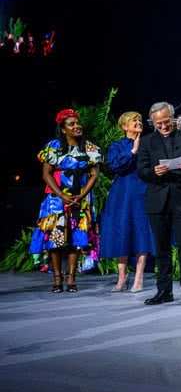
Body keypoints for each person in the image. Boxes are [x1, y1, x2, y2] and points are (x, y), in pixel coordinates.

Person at [137, 102, 181, 306]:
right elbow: (142, 171)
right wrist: (153, 173)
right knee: (162, 248)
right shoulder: (147, 142)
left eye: (166, 122)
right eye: (158, 124)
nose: (163, 126)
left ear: (173, 119)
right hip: (157, 200)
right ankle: (164, 291)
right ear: (153, 123)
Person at [31, 109, 103, 293]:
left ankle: (71, 277)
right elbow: (46, 174)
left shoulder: (89, 148)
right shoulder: (54, 147)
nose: (77, 126)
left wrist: (81, 195)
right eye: (71, 124)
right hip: (56, 200)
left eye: (77, 123)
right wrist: (62, 196)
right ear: (63, 129)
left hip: (81, 198)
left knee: (76, 239)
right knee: (56, 240)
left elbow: (94, 175)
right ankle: (57, 278)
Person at [99, 111, 155, 293]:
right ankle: (122, 276)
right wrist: (133, 150)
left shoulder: (149, 144)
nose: (138, 122)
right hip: (121, 194)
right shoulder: (116, 146)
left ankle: (138, 277)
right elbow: (116, 165)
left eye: (140, 120)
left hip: (141, 192)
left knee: (141, 231)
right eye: (134, 120)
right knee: (121, 231)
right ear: (124, 126)